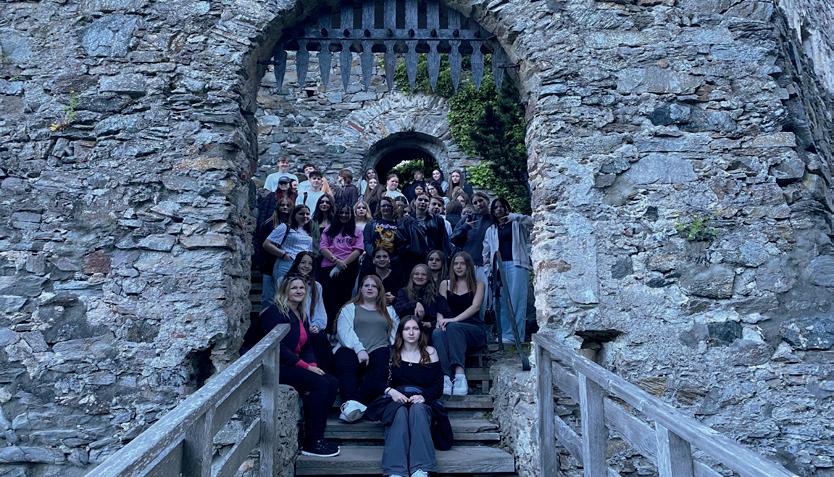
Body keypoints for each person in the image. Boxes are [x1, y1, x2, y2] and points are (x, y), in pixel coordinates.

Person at [257, 277, 340, 457]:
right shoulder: (274, 313)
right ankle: (311, 443)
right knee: (320, 384)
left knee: (331, 382)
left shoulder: (300, 313)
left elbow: (307, 346)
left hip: (292, 363)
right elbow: (278, 348)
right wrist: (306, 368)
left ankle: (317, 435)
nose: (298, 291)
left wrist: (312, 364)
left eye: (301, 288)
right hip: (273, 365)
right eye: (293, 288)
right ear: (284, 291)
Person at [366, 316, 450, 477]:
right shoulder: (390, 352)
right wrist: (391, 391)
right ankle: (396, 470)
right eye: (407, 329)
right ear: (401, 332)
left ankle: (421, 468)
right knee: (400, 412)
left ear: (421, 332)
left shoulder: (430, 352)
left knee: (418, 410)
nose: (411, 332)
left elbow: (437, 387)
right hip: (395, 400)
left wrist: (424, 397)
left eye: (415, 328)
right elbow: (375, 381)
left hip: (421, 400)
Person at [333, 275, 400, 423]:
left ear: (379, 290)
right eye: (366, 285)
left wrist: (395, 349)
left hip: (379, 347)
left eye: (374, 286)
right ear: (361, 289)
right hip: (352, 348)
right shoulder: (349, 308)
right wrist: (359, 349)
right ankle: (350, 404)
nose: (370, 288)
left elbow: (395, 333)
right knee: (345, 361)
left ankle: (352, 407)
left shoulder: (389, 310)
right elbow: (344, 332)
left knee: (380, 368)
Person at [435, 252, 487, 396]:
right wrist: (439, 321)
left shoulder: (478, 284)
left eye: (462, 263)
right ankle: (445, 377)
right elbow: (441, 307)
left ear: (469, 266)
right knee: (437, 333)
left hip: (473, 329)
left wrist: (454, 320)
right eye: (456, 264)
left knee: (453, 327)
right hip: (450, 328)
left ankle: (459, 374)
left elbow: (475, 307)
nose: (458, 267)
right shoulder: (445, 284)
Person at [482, 197, 533, 344]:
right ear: (492, 211)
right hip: (498, 267)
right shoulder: (491, 230)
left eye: (501, 206)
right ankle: (505, 334)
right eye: (496, 207)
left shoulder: (517, 224)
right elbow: (485, 252)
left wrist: (515, 216)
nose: (499, 209)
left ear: (506, 208)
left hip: (517, 265)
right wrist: (488, 269)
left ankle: (517, 335)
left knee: (517, 300)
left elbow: (532, 222)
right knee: (501, 300)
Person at [319, 204, 364, 331]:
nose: (344, 215)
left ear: (351, 215)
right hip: (329, 265)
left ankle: (342, 329)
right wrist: (336, 261)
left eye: (347, 213)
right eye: (341, 212)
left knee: (344, 298)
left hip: (348, 267)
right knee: (328, 298)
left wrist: (343, 263)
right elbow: (323, 247)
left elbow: (358, 249)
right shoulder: (329, 229)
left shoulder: (357, 231)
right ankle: (329, 329)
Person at [287, 251, 332, 372]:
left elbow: (319, 310)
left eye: (310, 264)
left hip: (310, 326)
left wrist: (316, 325)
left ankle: (324, 372)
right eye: (303, 262)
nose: (306, 266)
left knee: (320, 338)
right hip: (292, 325)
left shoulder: (316, 286)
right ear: (297, 263)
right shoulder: (284, 281)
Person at [397, 193, 450, 277]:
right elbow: (400, 242)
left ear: (429, 203)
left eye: (426, 200)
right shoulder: (405, 221)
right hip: (412, 260)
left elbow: (443, 241)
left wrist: (444, 258)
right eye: (420, 199)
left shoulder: (437, 220)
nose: (423, 202)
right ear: (415, 202)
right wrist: (412, 250)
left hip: (433, 259)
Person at [255, 196, 293, 309]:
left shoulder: (294, 225)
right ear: (277, 207)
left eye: (288, 205)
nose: (285, 207)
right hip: (269, 263)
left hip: (286, 264)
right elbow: (262, 244)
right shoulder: (268, 224)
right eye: (282, 205)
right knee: (268, 296)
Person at [395, 264, 451, 338]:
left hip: (429, 332)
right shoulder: (404, 292)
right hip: (408, 330)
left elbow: (447, 315)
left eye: (423, 274)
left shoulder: (435, 295)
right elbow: (399, 309)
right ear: (412, 276)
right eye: (416, 274)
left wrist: (431, 324)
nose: (420, 277)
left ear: (428, 277)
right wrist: (415, 303)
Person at [451, 191, 493, 289]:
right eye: (475, 202)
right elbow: (453, 238)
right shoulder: (468, 218)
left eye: (480, 200)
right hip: (468, 263)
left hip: (486, 265)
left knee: (485, 294)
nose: (479, 204)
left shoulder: (493, 220)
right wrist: (465, 227)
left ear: (487, 201)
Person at [264, 204, 313, 285]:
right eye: (301, 214)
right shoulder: (285, 227)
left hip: (303, 266)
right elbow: (267, 244)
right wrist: (283, 255)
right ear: (294, 215)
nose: (305, 216)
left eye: (307, 214)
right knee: (283, 289)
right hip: (287, 263)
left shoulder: (309, 231)